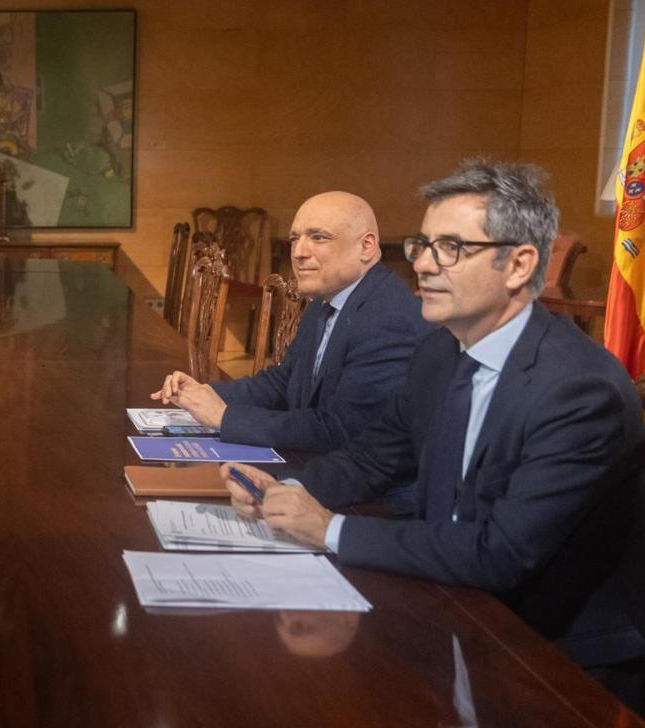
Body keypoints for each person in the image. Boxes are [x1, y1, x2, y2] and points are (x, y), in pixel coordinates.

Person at [223, 160, 645, 710]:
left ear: (519, 264)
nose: (421, 263)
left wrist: (329, 529)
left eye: (450, 248)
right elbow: (370, 459)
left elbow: (500, 551)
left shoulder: (580, 391)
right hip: (458, 607)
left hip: (558, 660)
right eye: (423, 244)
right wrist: (288, 489)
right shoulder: (439, 352)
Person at [153, 191, 429, 453]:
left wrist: (225, 417)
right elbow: (283, 381)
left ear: (366, 246)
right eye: (295, 238)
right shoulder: (325, 300)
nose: (298, 252)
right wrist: (205, 393)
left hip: (368, 495)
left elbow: (342, 430)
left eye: (318, 237)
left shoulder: (389, 318)